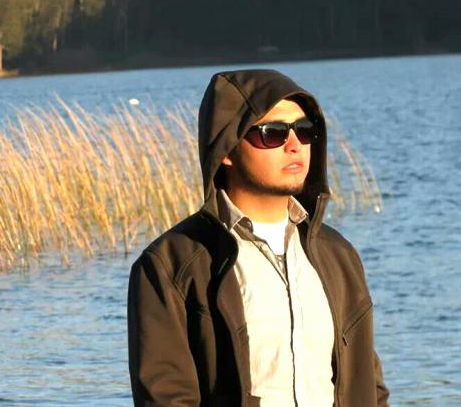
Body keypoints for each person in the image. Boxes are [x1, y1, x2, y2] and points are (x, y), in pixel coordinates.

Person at [128, 69, 389, 406]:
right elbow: (166, 398)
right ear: (227, 148)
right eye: (273, 133)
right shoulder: (170, 265)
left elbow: (370, 388)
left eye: (305, 131)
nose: (295, 146)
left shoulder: (338, 255)